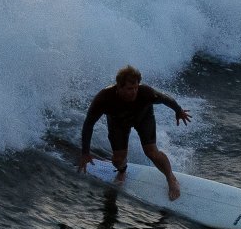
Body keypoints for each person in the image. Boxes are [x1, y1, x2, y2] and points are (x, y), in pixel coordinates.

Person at [78, 65, 191, 201]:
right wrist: (85, 152)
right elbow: (88, 124)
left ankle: (171, 178)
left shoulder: (145, 92)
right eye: (129, 89)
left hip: (143, 118)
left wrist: (178, 110)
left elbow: (165, 98)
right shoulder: (104, 98)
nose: (134, 92)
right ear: (119, 87)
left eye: (136, 87)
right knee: (117, 159)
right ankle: (122, 171)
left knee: (151, 152)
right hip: (118, 123)